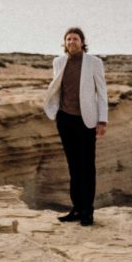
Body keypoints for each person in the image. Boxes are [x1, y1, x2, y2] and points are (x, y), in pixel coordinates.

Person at [42, 26, 109, 225]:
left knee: (87, 166)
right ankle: (76, 208)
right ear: (65, 42)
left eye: (75, 39)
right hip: (65, 119)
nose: (72, 42)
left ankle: (88, 211)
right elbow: (57, 89)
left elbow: (102, 92)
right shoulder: (59, 62)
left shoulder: (94, 62)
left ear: (82, 42)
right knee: (73, 167)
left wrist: (102, 119)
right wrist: (55, 113)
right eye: (68, 39)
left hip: (86, 121)